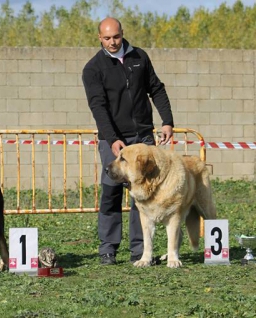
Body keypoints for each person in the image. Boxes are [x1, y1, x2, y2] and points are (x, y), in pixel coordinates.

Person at [82, 17, 174, 265]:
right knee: (111, 192)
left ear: (122, 34)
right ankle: (108, 248)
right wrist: (112, 139)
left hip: (142, 136)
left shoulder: (139, 57)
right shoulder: (93, 69)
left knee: (143, 194)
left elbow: (156, 88)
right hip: (113, 139)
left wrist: (167, 121)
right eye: (107, 38)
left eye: (117, 37)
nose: (113, 42)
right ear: (99, 38)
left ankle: (141, 250)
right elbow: (98, 107)